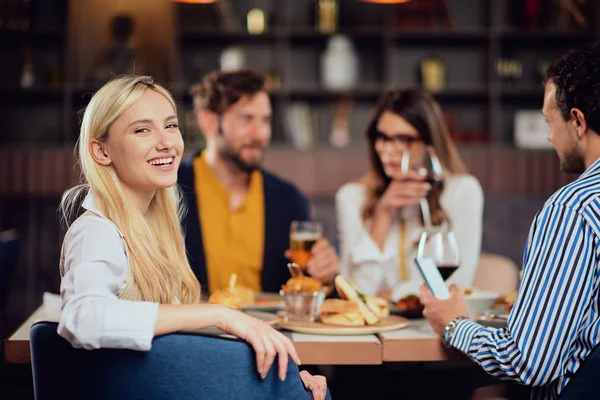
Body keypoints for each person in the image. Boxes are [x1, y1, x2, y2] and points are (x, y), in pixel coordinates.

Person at [57, 74, 328, 399]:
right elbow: (81, 319)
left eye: (170, 126)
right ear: (101, 151)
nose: (166, 142)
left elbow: (173, 336)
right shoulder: (95, 231)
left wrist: (283, 377)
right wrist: (220, 314)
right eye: (142, 129)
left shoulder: (153, 225)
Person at [421, 41, 600, 399]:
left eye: (550, 121)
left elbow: (528, 360)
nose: (549, 136)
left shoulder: (572, 210)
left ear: (578, 121)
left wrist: (455, 324)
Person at [179, 69, 339, 294]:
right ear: (209, 122)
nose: (261, 134)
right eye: (247, 119)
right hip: (194, 327)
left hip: (268, 327)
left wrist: (325, 276)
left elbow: (303, 288)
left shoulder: (288, 199)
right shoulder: (169, 189)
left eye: (265, 120)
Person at [335, 87, 483, 301]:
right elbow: (357, 294)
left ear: (429, 142)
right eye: (382, 137)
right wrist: (383, 214)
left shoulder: (462, 191)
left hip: (435, 326)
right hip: (373, 330)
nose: (388, 150)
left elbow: (457, 284)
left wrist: (395, 294)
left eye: (404, 139)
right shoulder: (352, 197)